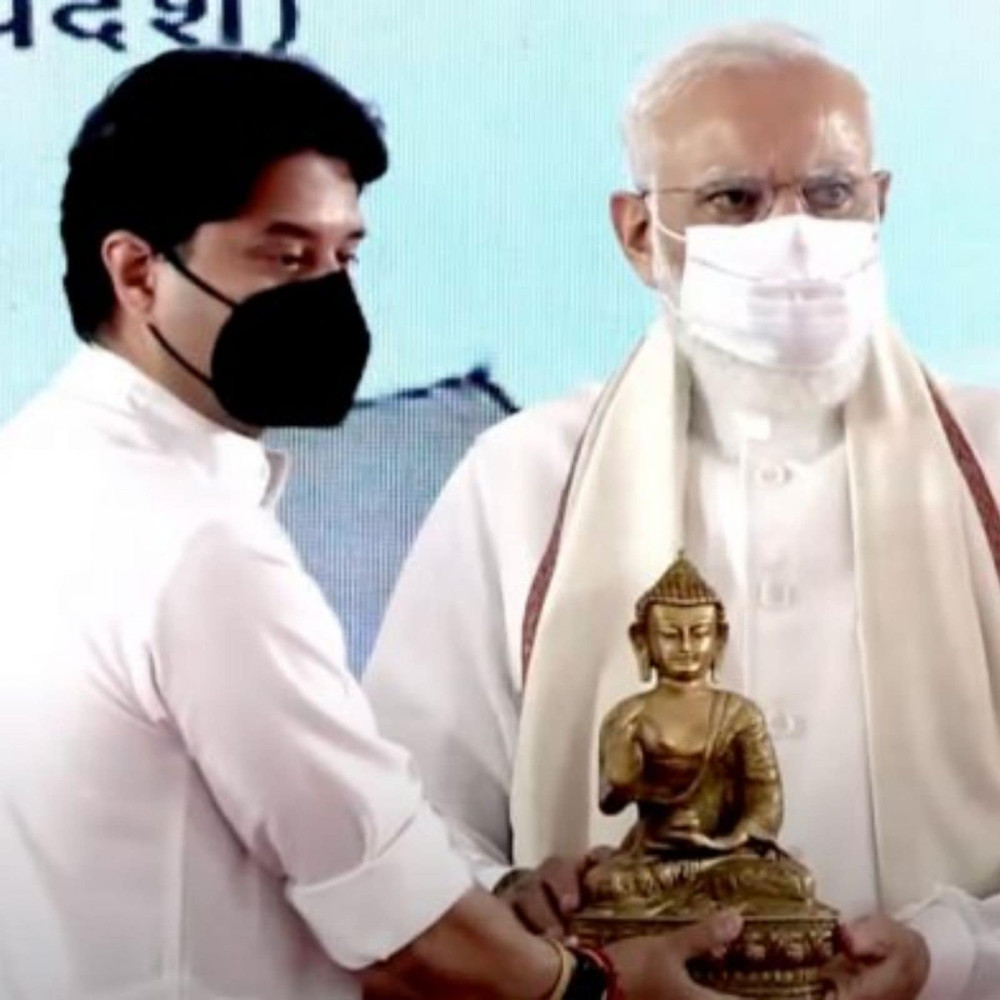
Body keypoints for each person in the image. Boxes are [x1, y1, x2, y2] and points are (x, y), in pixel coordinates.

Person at [0, 48, 739, 999]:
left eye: (343, 255)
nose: (327, 294)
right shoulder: (198, 543)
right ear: (138, 271)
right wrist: (591, 983)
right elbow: (404, 926)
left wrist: (498, 902)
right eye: (284, 254)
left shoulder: (31, 464)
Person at [365, 22, 1000, 1000]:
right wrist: (512, 903)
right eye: (733, 201)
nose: (792, 236)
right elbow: (407, 815)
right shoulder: (525, 478)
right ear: (636, 233)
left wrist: (949, 956)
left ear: (879, 205)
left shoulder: (990, 463)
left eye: (829, 194)